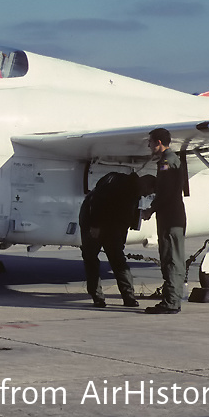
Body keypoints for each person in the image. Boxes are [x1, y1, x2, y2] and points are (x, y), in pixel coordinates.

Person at [78, 172, 143, 308]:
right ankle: (100, 297)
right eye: (149, 191)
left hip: (109, 226)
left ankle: (126, 297)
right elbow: (97, 202)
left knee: (114, 259)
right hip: (94, 222)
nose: (147, 195)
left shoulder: (132, 192)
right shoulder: (117, 185)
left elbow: (125, 220)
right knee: (94, 258)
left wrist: (121, 241)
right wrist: (95, 226)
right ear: (145, 185)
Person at [143, 128, 186, 315]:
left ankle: (171, 302)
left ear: (159, 142)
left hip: (170, 217)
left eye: (151, 142)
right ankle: (171, 299)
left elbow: (166, 192)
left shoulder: (167, 162)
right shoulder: (169, 160)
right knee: (170, 257)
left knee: (172, 259)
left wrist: (150, 209)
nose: (149, 145)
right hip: (171, 216)